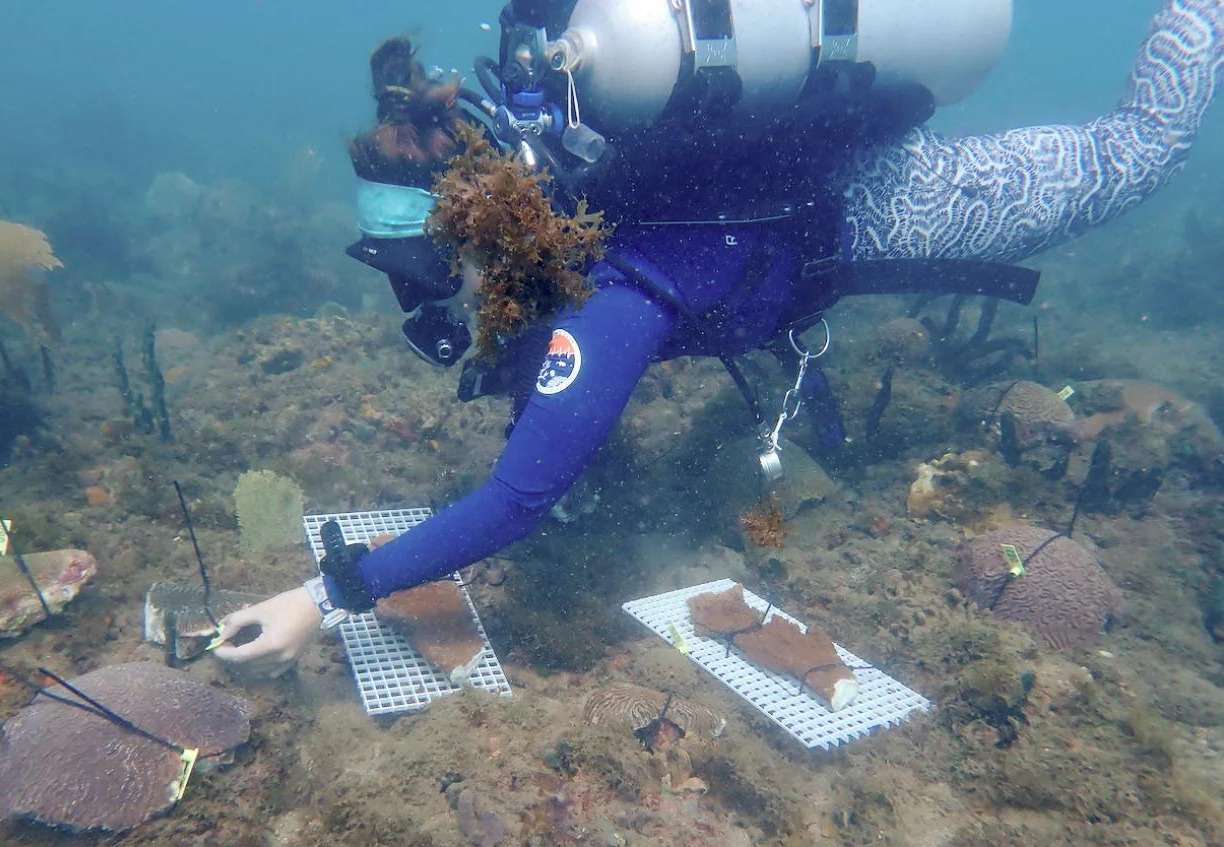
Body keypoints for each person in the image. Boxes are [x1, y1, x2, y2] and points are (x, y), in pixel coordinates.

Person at [216, 0, 1223, 678]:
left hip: (885, 205)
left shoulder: (603, 296)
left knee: (1134, 155)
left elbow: (518, 498)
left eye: (433, 280)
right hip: (808, 191)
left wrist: (328, 594)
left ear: (479, 231)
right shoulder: (566, 201)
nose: (436, 312)